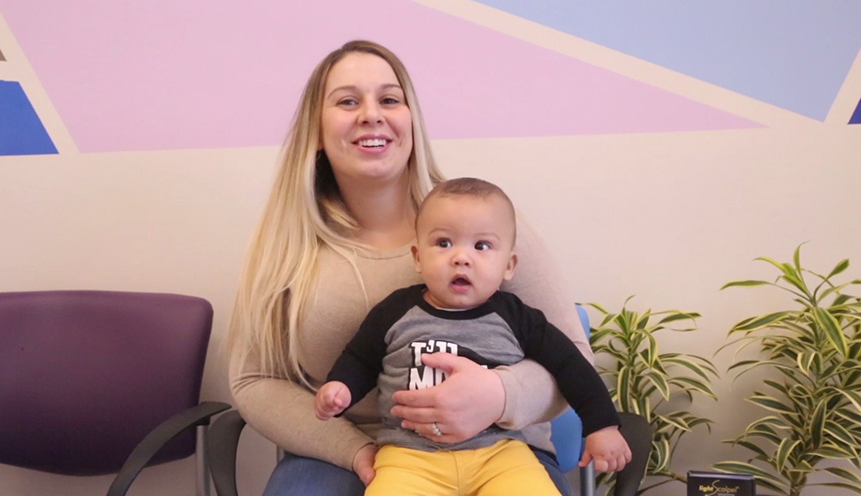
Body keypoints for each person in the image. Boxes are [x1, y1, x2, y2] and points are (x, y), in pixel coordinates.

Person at [228, 40, 609, 496]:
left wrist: (498, 395)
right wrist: (353, 449)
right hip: (345, 452)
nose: (372, 114)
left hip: (501, 449)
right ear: (315, 128)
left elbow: (570, 354)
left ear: (412, 121)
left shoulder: (485, 224)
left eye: (389, 99)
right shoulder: (285, 246)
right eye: (348, 101)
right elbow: (255, 380)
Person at [315, 178, 630, 495]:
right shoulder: (394, 312)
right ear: (418, 257)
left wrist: (602, 425)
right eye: (443, 243)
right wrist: (340, 387)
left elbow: (570, 365)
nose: (461, 258)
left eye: (481, 246)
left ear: (508, 266)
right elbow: (360, 358)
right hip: (409, 457)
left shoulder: (516, 317)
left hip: (501, 455)